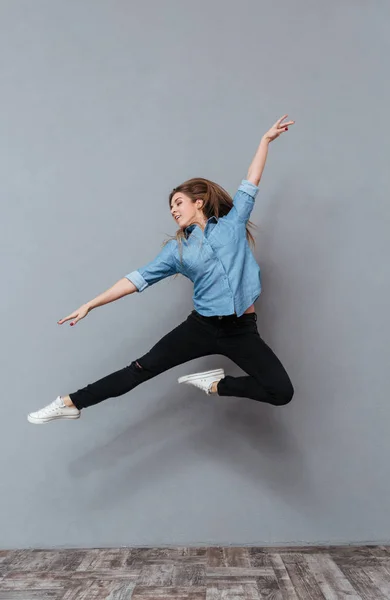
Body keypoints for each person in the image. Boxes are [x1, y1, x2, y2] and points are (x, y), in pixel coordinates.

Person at [28, 115, 295, 425]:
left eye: (178, 203)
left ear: (199, 202)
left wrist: (265, 141)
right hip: (202, 327)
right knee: (140, 369)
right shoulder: (177, 250)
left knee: (281, 391)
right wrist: (90, 304)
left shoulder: (232, 224)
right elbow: (134, 280)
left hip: (241, 331)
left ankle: (214, 384)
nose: (173, 210)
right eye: (170, 208)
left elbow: (252, 179)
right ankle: (70, 402)